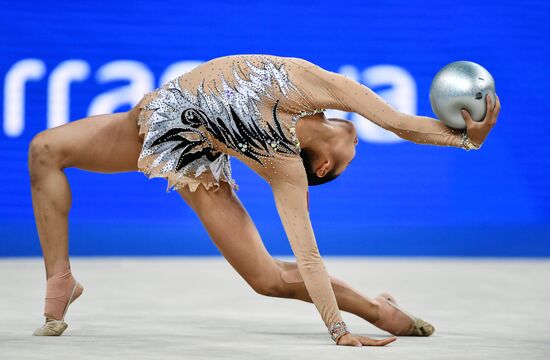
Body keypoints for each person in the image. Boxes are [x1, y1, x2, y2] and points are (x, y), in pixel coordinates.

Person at [28, 54, 500, 345]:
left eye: (351, 160)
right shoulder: (319, 87)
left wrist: (339, 330)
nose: (358, 145)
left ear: (321, 167)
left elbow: (307, 257)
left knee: (268, 278)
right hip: (161, 118)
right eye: (355, 156)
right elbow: (399, 121)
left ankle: (378, 311)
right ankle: (61, 281)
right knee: (44, 149)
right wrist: (466, 139)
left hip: (194, 159)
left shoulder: (284, 166)